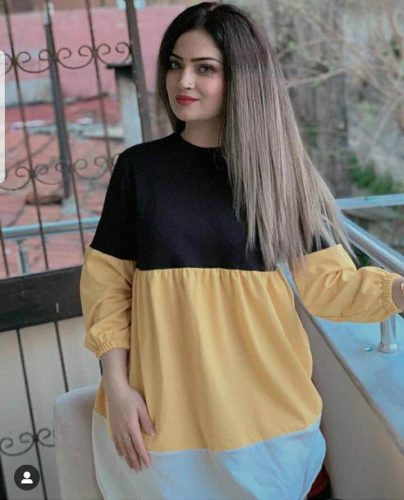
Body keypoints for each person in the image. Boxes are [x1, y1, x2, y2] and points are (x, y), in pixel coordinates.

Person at [79, 2, 404, 499]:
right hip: (164, 415)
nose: (184, 80)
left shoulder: (280, 176)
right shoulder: (139, 170)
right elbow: (107, 287)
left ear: (244, 79)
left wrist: (397, 290)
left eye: (205, 68)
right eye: (175, 64)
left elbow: (328, 286)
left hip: (265, 415)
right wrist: (117, 386)